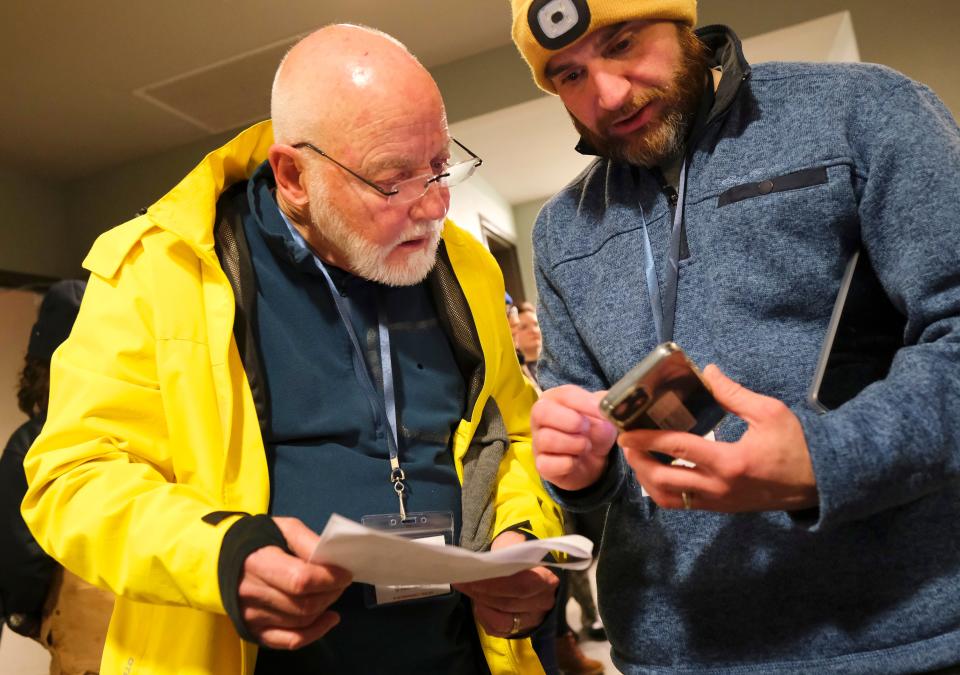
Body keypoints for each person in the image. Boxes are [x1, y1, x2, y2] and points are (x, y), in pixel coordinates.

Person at [22, 25, 564, 675]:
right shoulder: (158, 269)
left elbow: (514, 438)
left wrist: (519, 535)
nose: (436, 205)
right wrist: (223, 556)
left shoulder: (467, 266)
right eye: (394, 183)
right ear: (293, 175)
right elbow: (72, 478)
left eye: (442, 167)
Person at [507, 0, 960, 673]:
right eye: (569, 76)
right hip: (670, 654)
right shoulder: (561, 230)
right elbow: (585, 442)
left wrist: (822, 459)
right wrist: (577, 466)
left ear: (682, 23)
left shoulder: (862, 112)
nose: (605, 94)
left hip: (899, 641)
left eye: (624, 43)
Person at [1, 280, 114, 675]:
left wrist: (23, 614)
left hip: (86, 641)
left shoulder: (33, 444)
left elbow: (23, 559)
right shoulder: (145, 432)